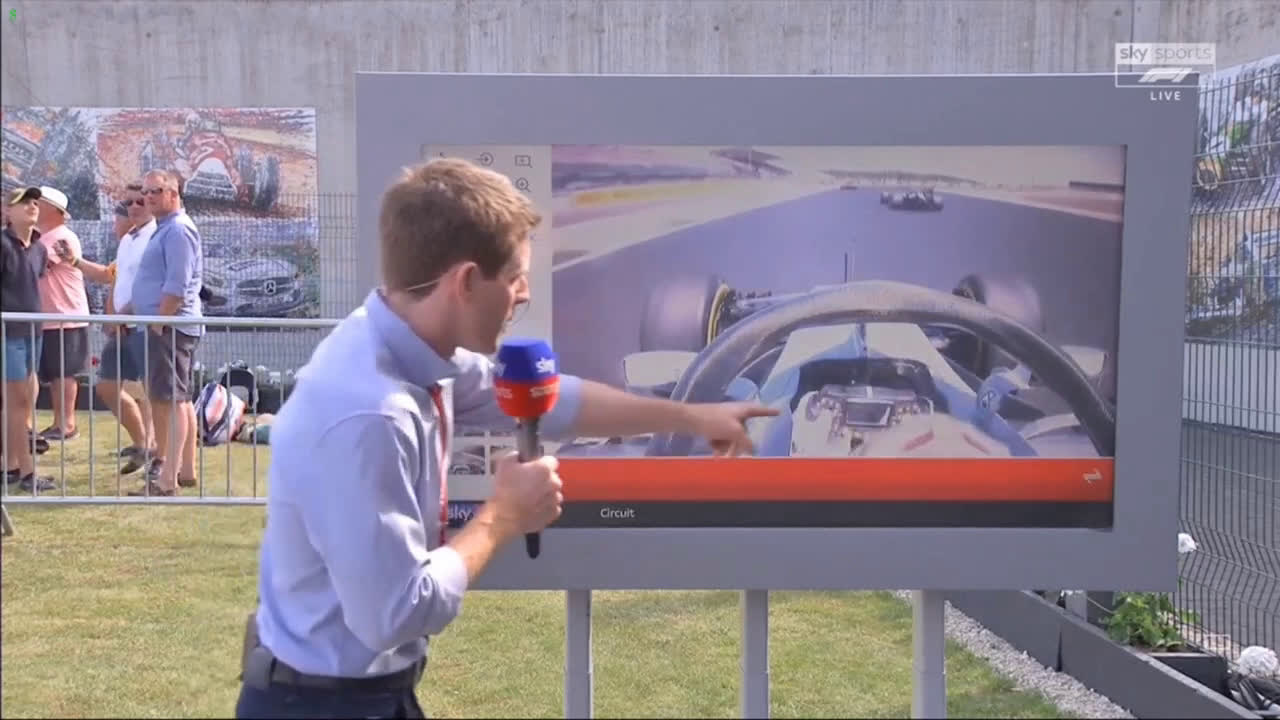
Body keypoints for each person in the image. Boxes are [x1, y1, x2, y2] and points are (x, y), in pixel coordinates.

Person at [234, 158, 778, 719]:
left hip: (355, 696)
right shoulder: (370, 413)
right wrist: (502, 517)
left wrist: (692, 417)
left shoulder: (407, 346)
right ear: (466, 282)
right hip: (321, 706)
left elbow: (549, 400)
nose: (523, 295)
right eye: (515, 277)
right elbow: (394, 615)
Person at [57, 184, 158, 474]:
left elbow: (151, 286)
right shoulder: (127, 243)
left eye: (138, 203)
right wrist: (74, 261)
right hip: (121, 328)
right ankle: (143, 443)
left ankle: (156, 451)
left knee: (152, 392)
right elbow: (107, 275)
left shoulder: (153, 239)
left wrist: (124, 316)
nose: (132, 208)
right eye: (128, 204)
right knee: (106, 386)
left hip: (142, 327)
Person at [125, 170, 203, 496]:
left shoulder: (178, 230)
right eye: (145, 193)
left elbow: (177, 285)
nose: (148, 198)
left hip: (170, 329)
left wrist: (159, 322)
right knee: (178, 400)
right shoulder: (166, 228)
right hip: (168, 327)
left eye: (155, 191)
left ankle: (168, 480)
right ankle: (184, 472)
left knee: (171, 402)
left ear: (174, 193)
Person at [1, 187, 56, 493]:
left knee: (20, 401)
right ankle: (27, 472)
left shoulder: (39, 249)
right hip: (8, 333)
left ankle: (10, 466)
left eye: (34, 202)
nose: (32, 206)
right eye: (23, 203)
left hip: (33, 332)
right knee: (17, 402)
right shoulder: (2, 244)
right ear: (7, 211)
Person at [33, 185, 90, 441]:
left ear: (55, 210)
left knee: (64, 373)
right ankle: (59, 422)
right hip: (50, 318)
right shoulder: (41, 238)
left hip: (66, 317)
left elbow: (35, 267)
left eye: (39, 202)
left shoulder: (61, 238)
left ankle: (67, 424)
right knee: (55, 374)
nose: (34, 206)